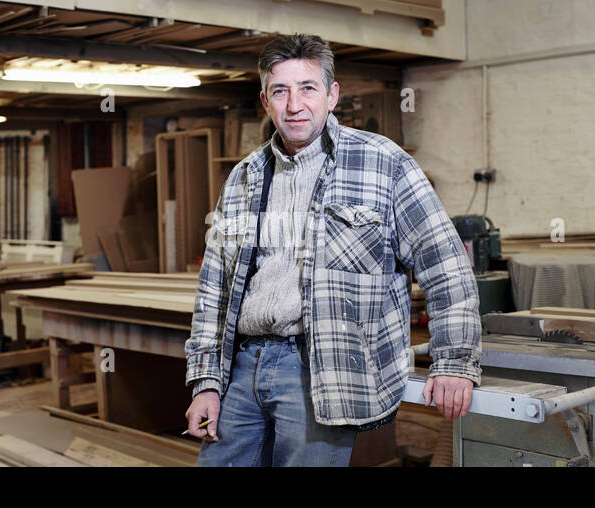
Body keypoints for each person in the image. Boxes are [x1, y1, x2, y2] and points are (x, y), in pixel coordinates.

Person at [183, 33, 481, 466]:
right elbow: (214, 288)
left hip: (318, 371)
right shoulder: (244, 177)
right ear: (265, 101)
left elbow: (447, 267)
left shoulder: (385, 164)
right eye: (280, 91)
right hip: (243, 368)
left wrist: (452, 361)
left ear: (332, 94)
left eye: (308, 88)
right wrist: (207, 382)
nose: (294, 104)